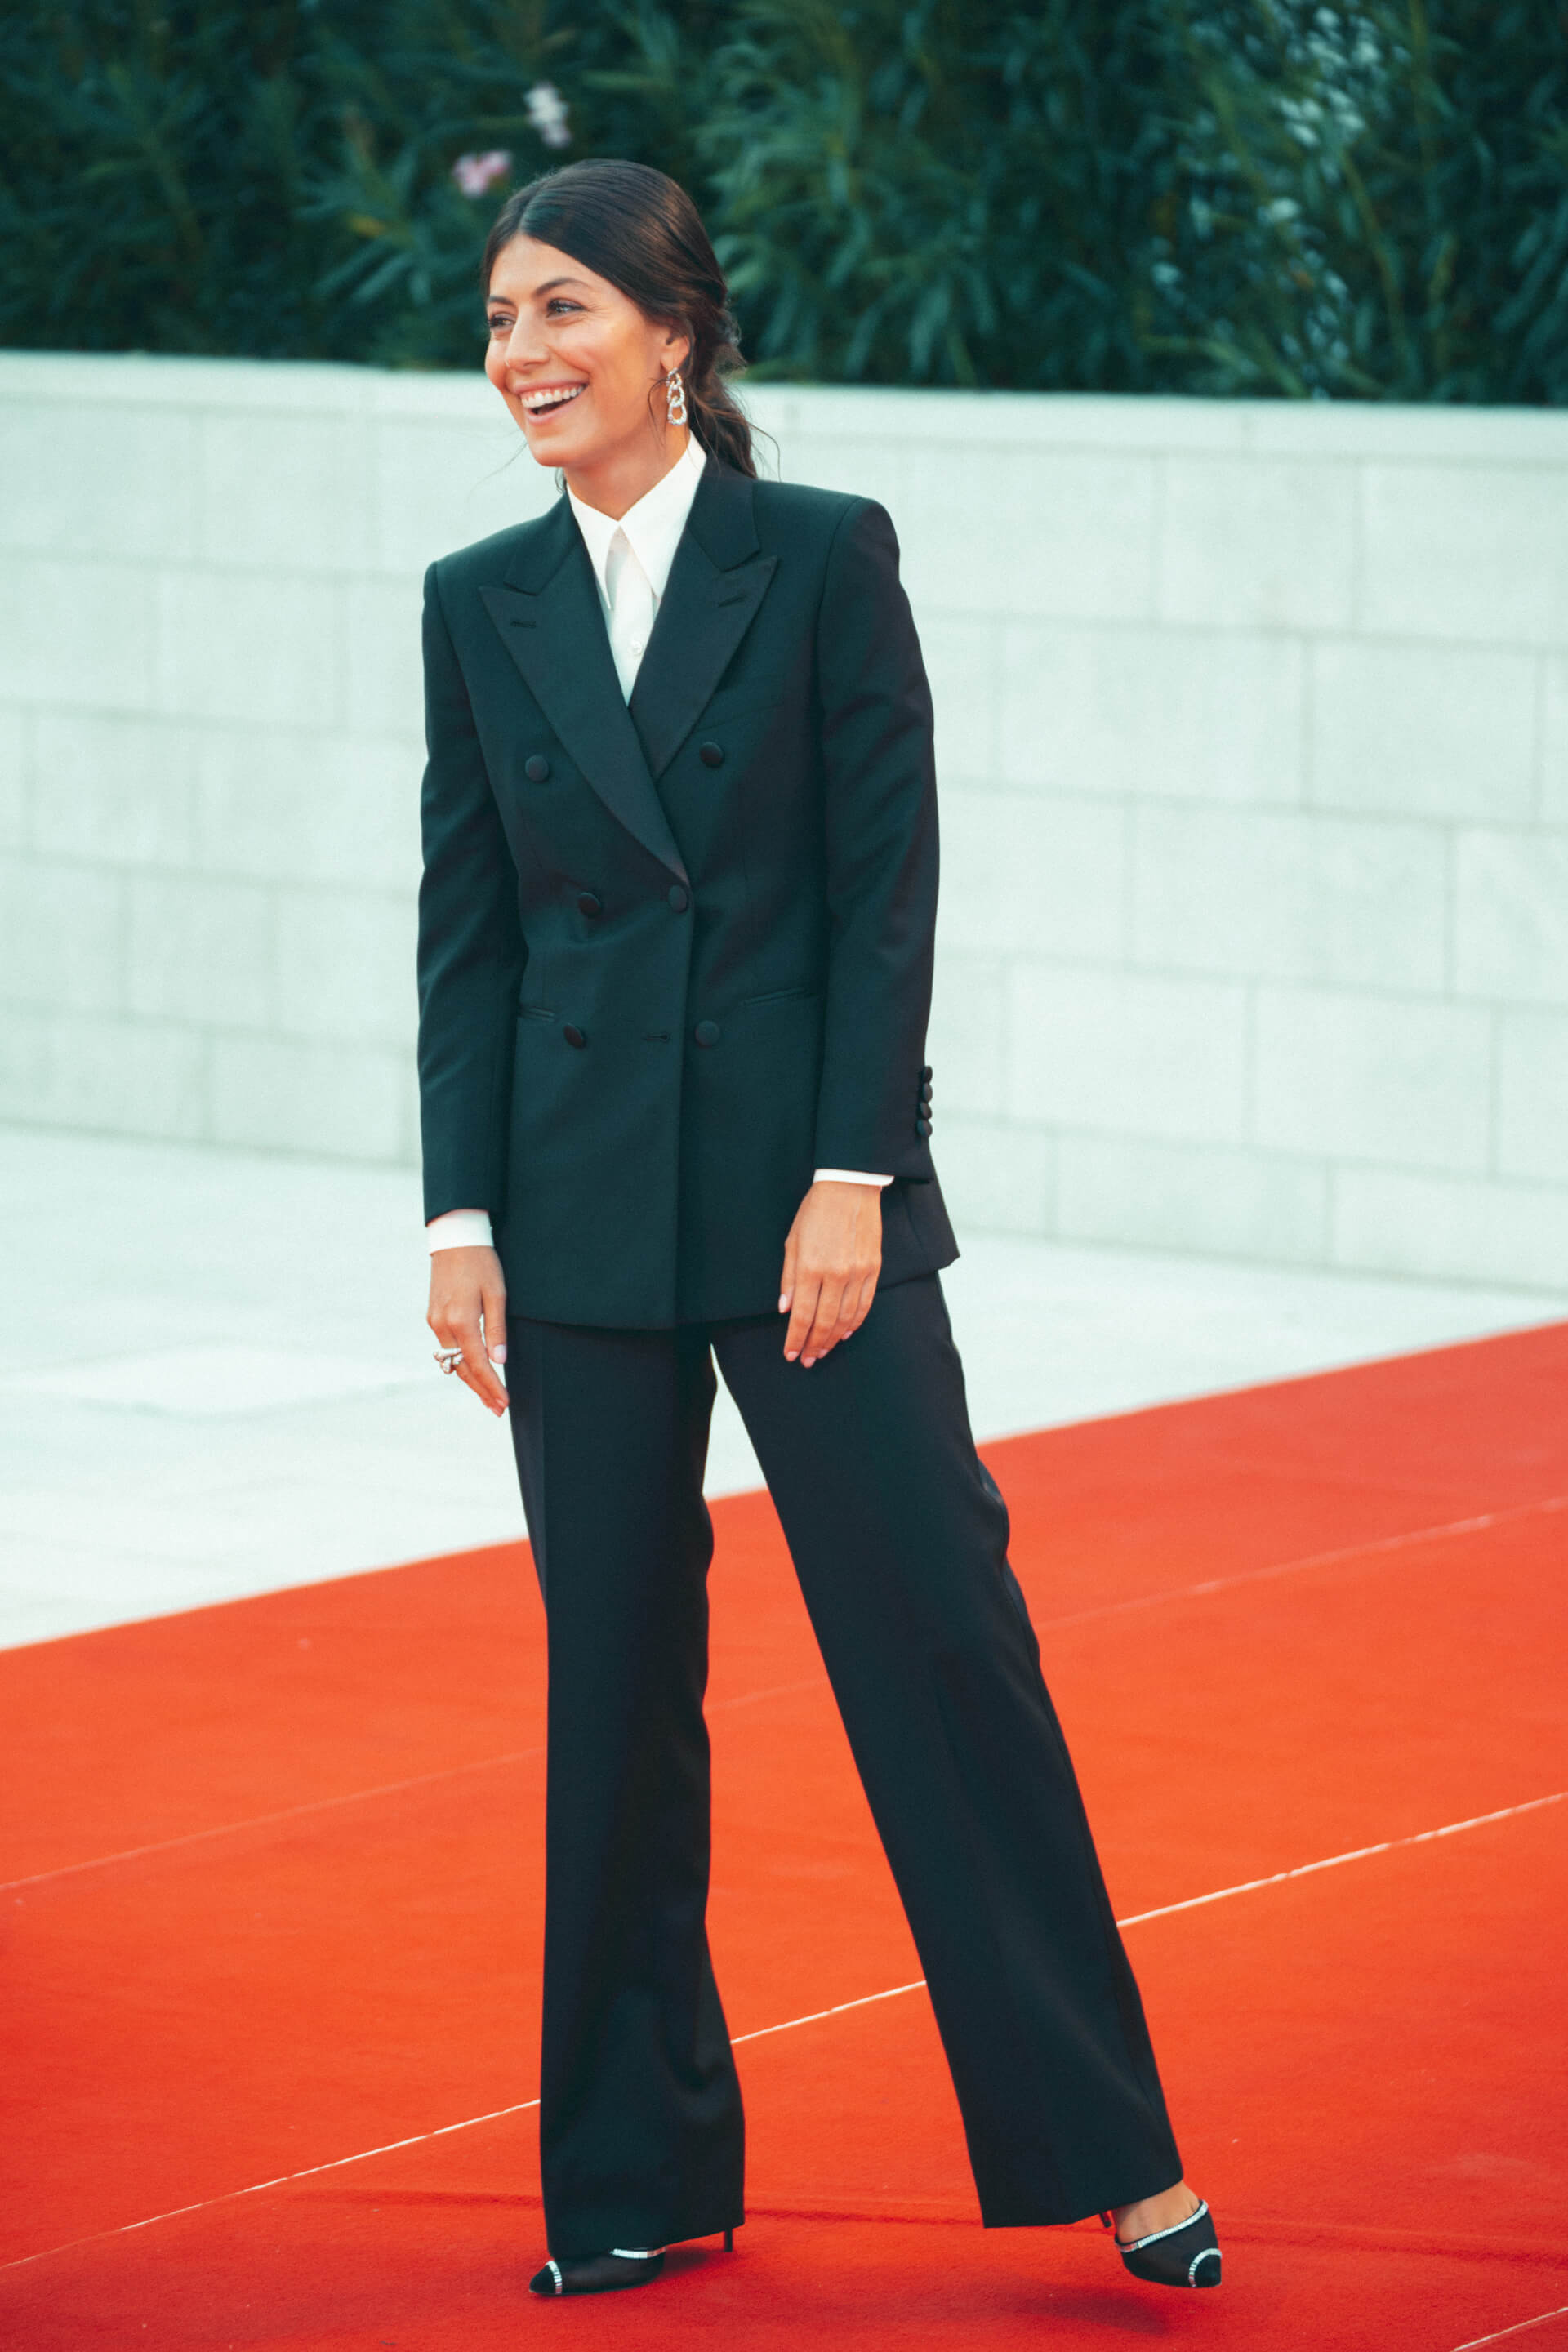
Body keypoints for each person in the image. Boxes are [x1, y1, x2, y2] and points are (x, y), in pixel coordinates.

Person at [416, 157, 1222, 2302]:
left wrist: (856, 1174)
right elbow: (469, 938)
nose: (523, 355)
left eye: (564, 309)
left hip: (811, 1220)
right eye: (499, 320)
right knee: (617, 1697)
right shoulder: (476, 599)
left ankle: (1109, 2145)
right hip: (574, 1220)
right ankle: (639, 2179)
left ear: (675, 329)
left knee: (945, 1649)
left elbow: (890, 885)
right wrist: (461, 1211)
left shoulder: (823, 558)